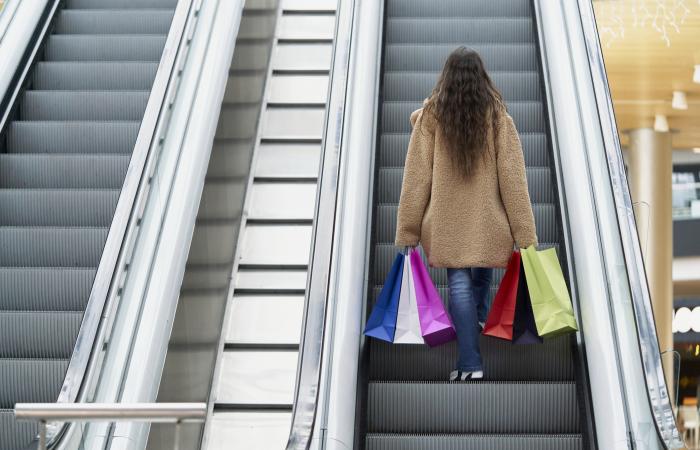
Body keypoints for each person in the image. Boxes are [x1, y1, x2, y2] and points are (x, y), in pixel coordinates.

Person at [394, 47, 538, 381]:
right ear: (481, 77)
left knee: (458, 282)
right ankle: (473, 320)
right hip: (489, 219)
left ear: (446, 77)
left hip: (446, 221)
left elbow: (416, 178)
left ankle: (470, 363)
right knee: (483, 265)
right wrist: (524, 232)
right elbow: (513, 178)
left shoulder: (431, 116)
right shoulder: (499, 116)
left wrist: (409, 230)